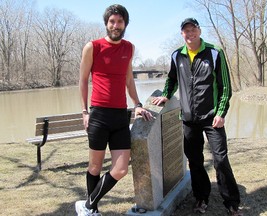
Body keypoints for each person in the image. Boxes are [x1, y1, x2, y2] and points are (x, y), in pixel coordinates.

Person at [152, 18, 243, 216]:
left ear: (199, 31)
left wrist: (221, 113)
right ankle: (201, 197)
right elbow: (172, 79)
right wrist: (166, 95)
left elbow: (226, 87)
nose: (190, 33)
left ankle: (231, 202)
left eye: (193, 29)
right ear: (182, 34)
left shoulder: (214, 52)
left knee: (220, 160)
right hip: (188, 119)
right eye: (186, 31)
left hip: (212, 118)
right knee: (194, 160)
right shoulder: (177, 55)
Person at [75, 4, 154, 216]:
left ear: (125, 24)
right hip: (99, 115)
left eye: (119, 21)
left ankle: (87, 205)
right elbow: (83, 80)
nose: (115, 25)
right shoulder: (93, 47)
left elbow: (129, 79)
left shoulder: (129, 48)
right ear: (106, 23)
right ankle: (93, 210)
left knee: (120, 169)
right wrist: (84, 112)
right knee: (94, 168)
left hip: (120, 115)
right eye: (112, 21)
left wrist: (137, 104)